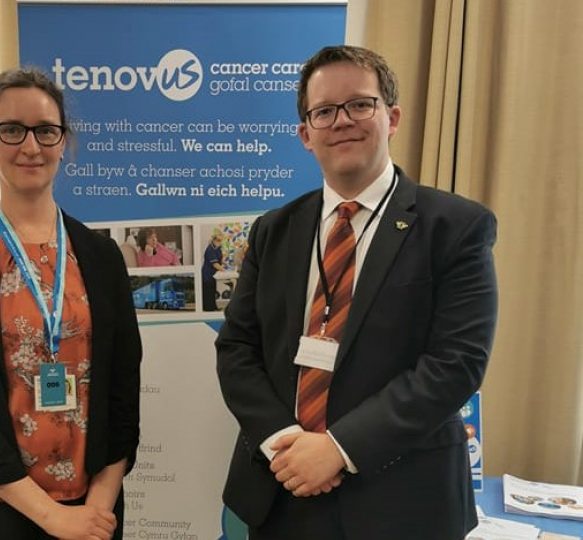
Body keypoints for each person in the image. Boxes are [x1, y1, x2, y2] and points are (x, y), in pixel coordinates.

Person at [215, 45, 498, 540]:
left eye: (359, 104)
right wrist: (287, 444)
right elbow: (237, 349)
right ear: (306, 134)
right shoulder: (272, 231)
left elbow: (456, 363)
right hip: (284, 492)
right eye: (324, 111)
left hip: (403, 500)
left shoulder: (456, 226)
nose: (342, 120)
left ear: (391, 117)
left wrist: (338, 448)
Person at [0, 66, 142, 540]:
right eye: (11, 129)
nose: (30, 146)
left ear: (64, 140)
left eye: (46, 130)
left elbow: (123, 391)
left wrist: (96, 509)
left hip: (92, 511)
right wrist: (52, 519)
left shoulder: (103, 258)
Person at [201, 233, 225, 311]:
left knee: (213, 291)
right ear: (214, 240)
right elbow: (215, 264)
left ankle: (213, 306)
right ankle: (209, 309)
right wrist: (223, 270)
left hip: (213, 275)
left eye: (221, 241)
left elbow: (219, 259)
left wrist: (224, 263)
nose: (220, 242)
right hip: (207, 274)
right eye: (218, 240)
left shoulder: (217, 248)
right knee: (209, 291)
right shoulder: (210, 249)